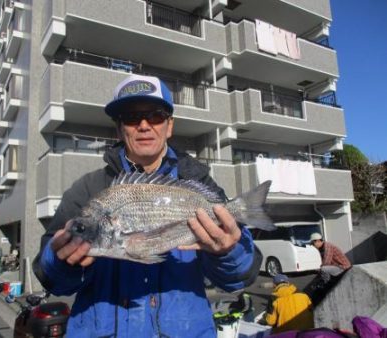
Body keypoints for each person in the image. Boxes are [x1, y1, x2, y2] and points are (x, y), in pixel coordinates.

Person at [33, 74, 263, 337]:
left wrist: (228, 251)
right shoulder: (88, 190)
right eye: (131, 118)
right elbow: (49, 275)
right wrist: (62, 261)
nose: (144, 125)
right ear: (120, 129)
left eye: (155, 115)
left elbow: (241, 275)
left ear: (169, 125)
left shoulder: (198, 182)